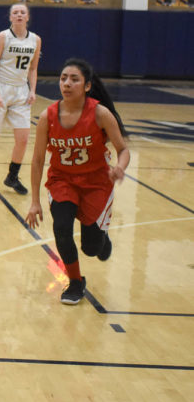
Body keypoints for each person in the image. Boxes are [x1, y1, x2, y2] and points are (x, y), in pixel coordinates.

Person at [26, 58, 129, 305]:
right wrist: (34, 201)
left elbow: (123, 149)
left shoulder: (101, 114)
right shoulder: (47, 116)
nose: (67, 83)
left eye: (74, 79)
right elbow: (38, 160)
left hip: (96, 183)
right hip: (63, 181)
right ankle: (75, 282)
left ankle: (101, 240)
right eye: (63, 78)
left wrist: (120, 167)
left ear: (86, 86)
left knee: (91, 249)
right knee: (61, 228)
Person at [0, 3, 41, 196]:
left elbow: (33, 69)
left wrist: (32, 90)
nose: (19, 15)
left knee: (23, 138)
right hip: (0, 88)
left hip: (21, 92)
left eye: (22, 12)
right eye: (15, 12)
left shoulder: (36, 40)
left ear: (28, 17)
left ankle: (12, 177)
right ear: (10, 17)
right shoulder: (3, 37)